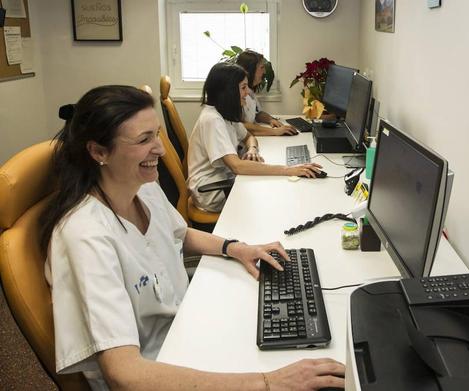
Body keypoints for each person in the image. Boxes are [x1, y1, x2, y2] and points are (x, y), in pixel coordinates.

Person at [40, 85, 344, 391]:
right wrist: (268, 383)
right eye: (144, 140)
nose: (159, 148)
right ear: (98, 152)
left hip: (184, 331)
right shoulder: (84, 235)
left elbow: (179, 233)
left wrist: (235, 248)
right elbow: (124, 374)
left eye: (157, 134)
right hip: (157, 370)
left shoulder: (141, 186)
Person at [188, 62, 323, 213]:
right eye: (243, 88)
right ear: (229, 91)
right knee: (273, 193)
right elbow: (237, 166)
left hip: (225, 179)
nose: (247, 93)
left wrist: (252, 149)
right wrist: (288, 169)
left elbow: (249, 136)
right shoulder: (212, 120)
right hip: (213, 190)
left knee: (272, 186)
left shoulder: (224, 113)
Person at [236, 50, 298, 136]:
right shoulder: (238, 94)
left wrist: (271, 120)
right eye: (261, 68)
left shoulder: (250, 92)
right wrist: (275, 132)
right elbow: (240, 125)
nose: (264, 72)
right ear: (251, 70)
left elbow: (257, 113)